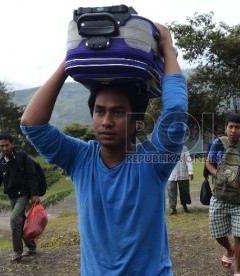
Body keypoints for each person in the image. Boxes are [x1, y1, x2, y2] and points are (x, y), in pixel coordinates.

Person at [20, 23, 187, 275]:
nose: (107, 121)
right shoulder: (79, 159)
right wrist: (70, 60)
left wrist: (168, 49)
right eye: (100, 111)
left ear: (137, 122)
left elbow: (174, 112)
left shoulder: (154, 161)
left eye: (118, 112)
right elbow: (32, 125)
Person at [205, 113, 240, 276]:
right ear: (226, 128)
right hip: (219, 196)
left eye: (237, 127)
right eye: (231, 126)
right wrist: (217, 174)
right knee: (217, 232)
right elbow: (208, 162)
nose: (233, 130)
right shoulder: (217, 143)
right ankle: (229, 249)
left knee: (239, 235)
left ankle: (237, 270)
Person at [0, 134, 41, 262]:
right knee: (21, 221)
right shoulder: (0, 164)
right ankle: (31, 248)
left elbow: (32, 175)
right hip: (12, 196)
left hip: (24, 194)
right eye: (1, 146)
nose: (4, 148)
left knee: (14, 219)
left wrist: (35, 194)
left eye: (6, 145)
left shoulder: (22, 157)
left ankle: (17, 252)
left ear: (13, 144)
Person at [168, 145, 194, 214]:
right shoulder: (168, 147)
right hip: (171, 174)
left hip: (183, 173)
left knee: (184, 191)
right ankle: (173, 208)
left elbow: (188, 160)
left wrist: (190, 172)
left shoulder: (184, 147)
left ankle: (184, 206)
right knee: (171, 191)